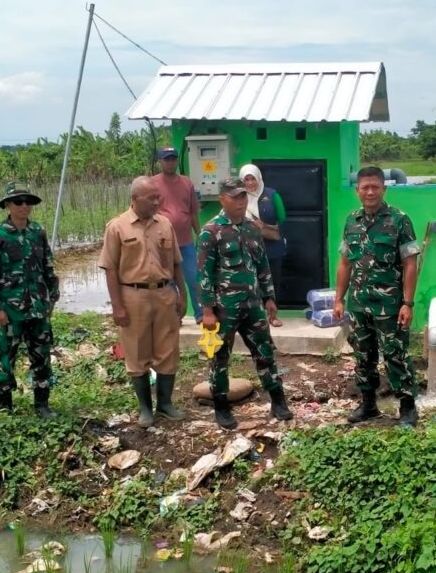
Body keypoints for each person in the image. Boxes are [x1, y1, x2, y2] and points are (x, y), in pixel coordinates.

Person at [197, 177, 293, 430]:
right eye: (234, 197)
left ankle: (278, 401)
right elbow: (204, 274)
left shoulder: (252, 228)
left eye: (242, 197)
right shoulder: (211, 231)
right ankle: (221, 406)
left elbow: (262, 265)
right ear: (222, 199)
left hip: (252, 306)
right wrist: (207, 311)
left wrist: (269, 297)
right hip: (223, 308)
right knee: (220, 358)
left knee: (265, 353)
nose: (240, 201)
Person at [332, 166, 421, 427]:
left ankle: (407, 407)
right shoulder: (351, 221)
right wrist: (339, 298)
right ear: (357, 191)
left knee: (395, 354)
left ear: (384, 188)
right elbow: (345, 263)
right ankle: (368, 404)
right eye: (364, 187)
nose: (370, 192)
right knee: (363, 355)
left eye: (375, 187)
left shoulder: (399, 220)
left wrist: (408, 303)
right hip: (359, 304)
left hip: (390, 305)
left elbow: (410, 264)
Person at [99, 176, 187, 426]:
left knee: (168, 349)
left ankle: (165, 405)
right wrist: (117, 305)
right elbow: (110, 269)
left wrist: (183, 295)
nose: (157, 202)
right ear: (135, 199)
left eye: (158, 197)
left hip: (163, 294)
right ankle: (145, 409)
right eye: (152, 198)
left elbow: (176, 264)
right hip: (132, 296)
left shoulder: (165, 224)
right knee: (137, 352)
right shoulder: (117, 227)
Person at [0, 183, 59, 417]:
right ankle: (5, 407)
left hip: (37, 309)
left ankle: (42, 404)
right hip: (9, 310)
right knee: (5, 356)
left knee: (41, 356)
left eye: (28, 201)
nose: (24, 206)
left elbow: (48, 268)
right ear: (7, 205)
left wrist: (51, 298)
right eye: (18, 201)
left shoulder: (37, 232)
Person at [151, 146, 202, 322]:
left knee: (194, 279)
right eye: (166, 159)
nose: (170, 162)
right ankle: (175, 316)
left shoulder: (187, 183)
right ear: (160, 161)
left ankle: (200, 315)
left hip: (186, 242)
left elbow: (193, 212)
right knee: (169, 282)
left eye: (173, 159)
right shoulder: (152, 184)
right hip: (162, 244)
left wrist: (200, 235)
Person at [238, 163, 288, 296]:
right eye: (246, 179)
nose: (250, 183)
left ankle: (272, 313)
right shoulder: (238, 196)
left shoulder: (272, 195)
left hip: (272, 248)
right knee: (251, 285)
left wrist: (264, 226)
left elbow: (282, 219)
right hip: (248, 248)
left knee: (272, 284)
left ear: (259, 178)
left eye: (253, 178)